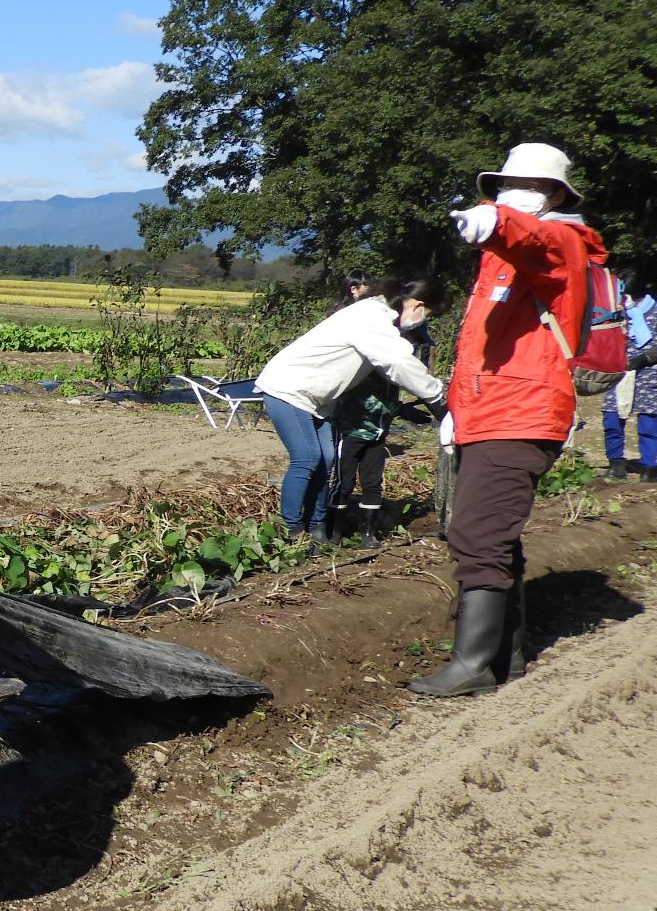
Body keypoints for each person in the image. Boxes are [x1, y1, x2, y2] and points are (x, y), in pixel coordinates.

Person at [411, 143, 607, 698]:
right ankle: (506, 656)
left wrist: (498, 221)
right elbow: (479, 350)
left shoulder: (562, 241)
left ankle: (472, 666)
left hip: (520, 415)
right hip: (488, 412)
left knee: (476, 534)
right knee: (496, 536)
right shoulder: (500, 260)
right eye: (502, 186)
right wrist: (456, 410)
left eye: (520, 186)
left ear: (552, 194)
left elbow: (534, 239)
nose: (506, 193)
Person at [254, 280, 446, 548]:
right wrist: (437, 401)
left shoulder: (377, 316)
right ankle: (291, 530)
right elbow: (397, 361)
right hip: (288, 388)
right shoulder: (371, 317)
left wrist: (403, 407)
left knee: (328, 459)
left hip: (317, 398)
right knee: (308, 458)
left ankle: (318, 527)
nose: (423, 321)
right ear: (418, 305)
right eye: (428, 315)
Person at [325, 286, 442, 546]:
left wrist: (402, 409)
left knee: (373, 482)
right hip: (351, 426)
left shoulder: (396, 368)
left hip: (378, 431)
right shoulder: (376, 356)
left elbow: (388, 398)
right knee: (343, 482)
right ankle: (334, 533)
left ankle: (369, 533)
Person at [600, 275, 656, 481]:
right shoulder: (615, 312)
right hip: (619, 371)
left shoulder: (655, 311)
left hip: (649, 373)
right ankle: (616, 465)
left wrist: (646, 357)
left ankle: (650, 468)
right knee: (612, 417)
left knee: (649, 422)